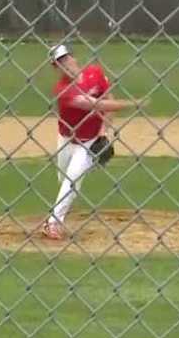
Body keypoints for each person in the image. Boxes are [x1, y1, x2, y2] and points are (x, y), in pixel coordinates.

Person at [42, 44, 146, 241]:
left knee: (72, 179)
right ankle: (64, 203)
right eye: (60, 63)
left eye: (66, 59)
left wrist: (103, 131)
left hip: (87, 142)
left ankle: (53, 222)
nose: (66, 64)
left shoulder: (95, 73)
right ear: (57, 68)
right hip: (65, 140)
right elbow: (98, 104)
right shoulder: (63, 90)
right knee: (65, 181)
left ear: (73, 58)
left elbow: (108, 99)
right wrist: (131, 104)